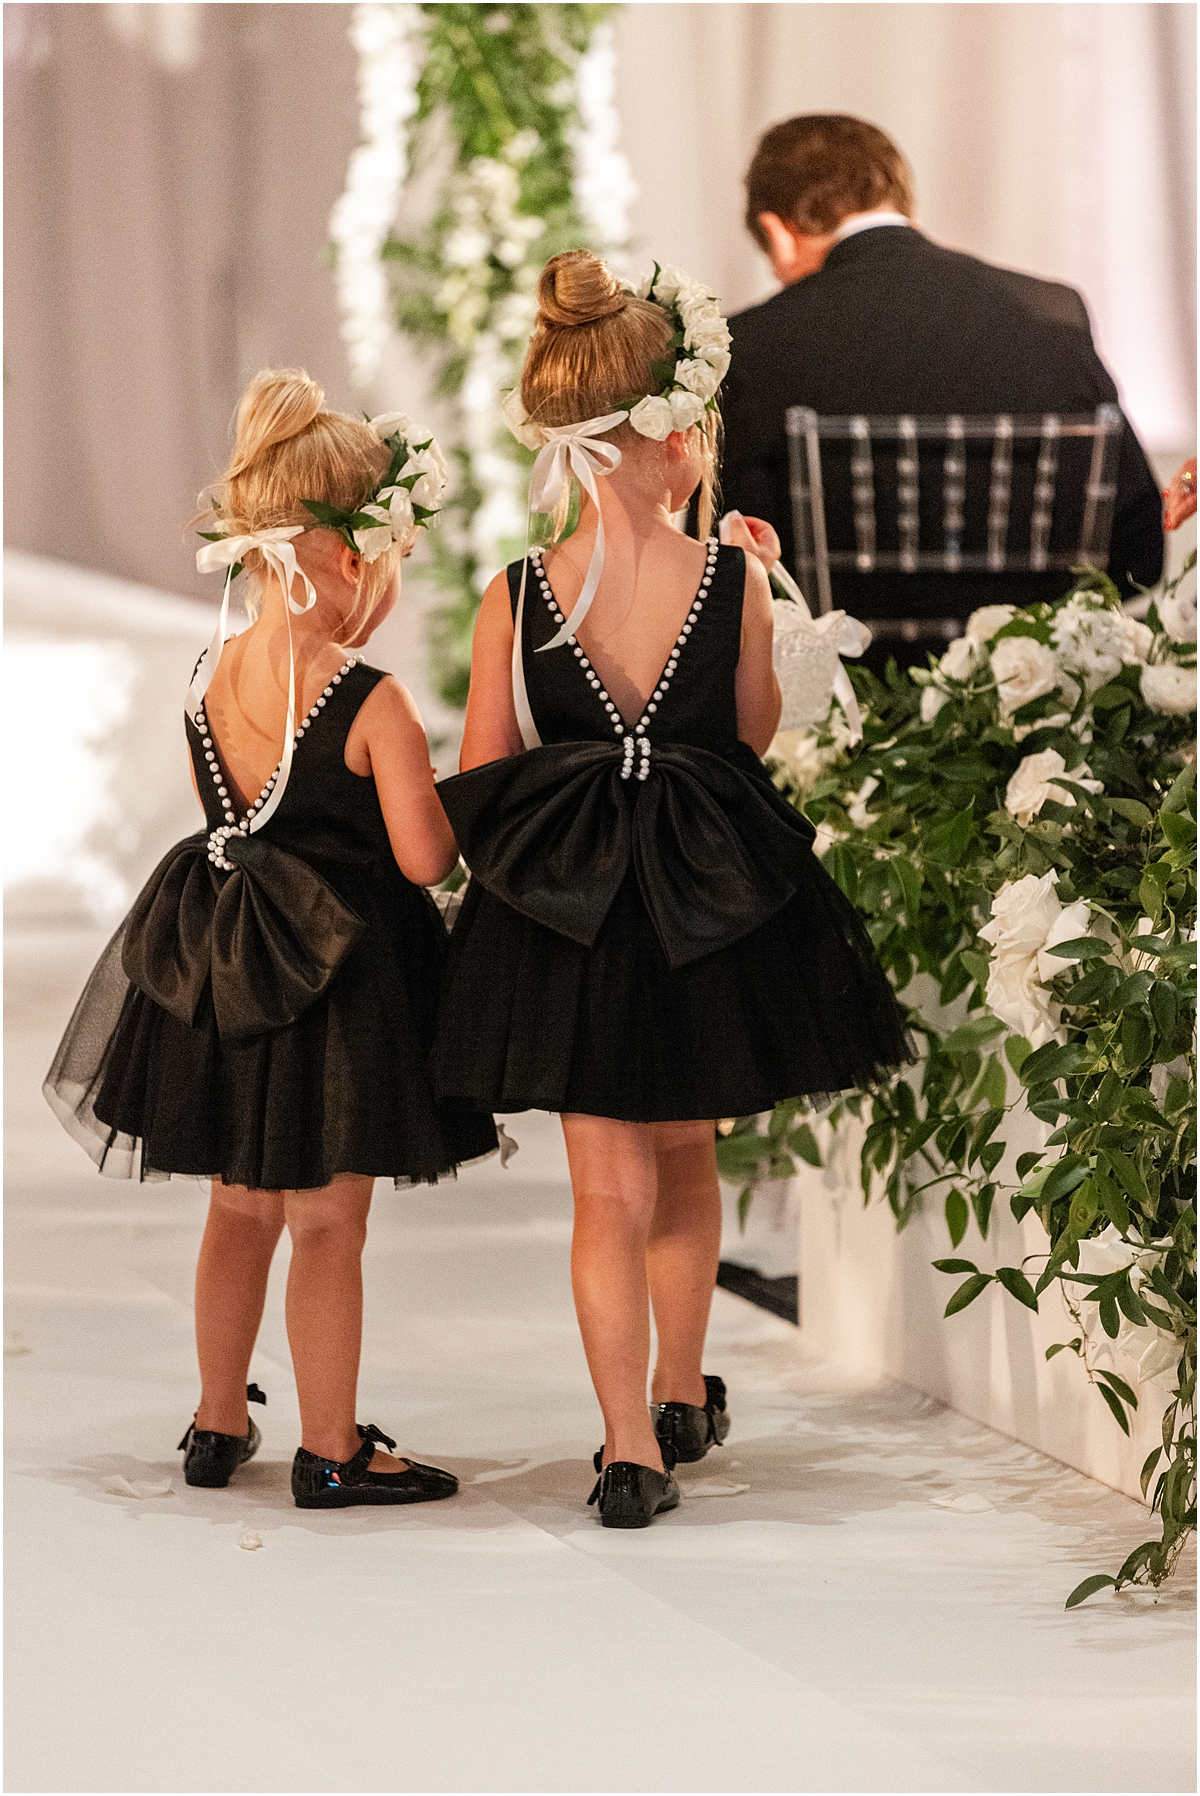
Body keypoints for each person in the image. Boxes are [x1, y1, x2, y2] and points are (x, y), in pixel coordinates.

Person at [431, 252, 912, 1528]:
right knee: (689, 1154)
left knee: (607, 1190)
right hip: (709, 896)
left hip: (574, 912)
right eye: (698, 419)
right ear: (665, 432)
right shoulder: (733, 578)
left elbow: (483, 770)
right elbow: (748, 734)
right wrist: (750, 599)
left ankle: (627, 1444)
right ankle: (685, 1381)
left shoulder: (516, 594)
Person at [44, 369, 497, 1509]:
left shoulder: (208, 677)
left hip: (227, 962)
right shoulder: (369, 700)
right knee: (329, 1223)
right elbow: (421, 859)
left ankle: (212, 1417)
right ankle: (333, 1445)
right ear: (350, 554)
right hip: (340, 988)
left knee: (237, 1208)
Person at [720, 114, 1165, 676]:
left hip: (848, 687)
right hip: (1030, 689)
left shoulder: (751, 344)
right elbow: (1138, 545)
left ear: (778, 233)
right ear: (904, 204)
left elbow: (729, 552)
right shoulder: (1052, 311)